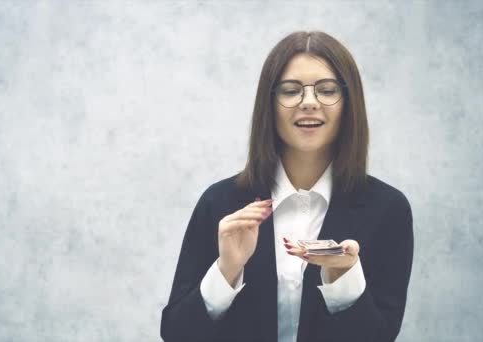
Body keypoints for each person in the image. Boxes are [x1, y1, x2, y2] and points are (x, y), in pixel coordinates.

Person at [160, 31, 414, 342]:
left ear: (349, 104)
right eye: (291, 91)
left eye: (327, 90)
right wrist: (227, 269)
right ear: (269, 104)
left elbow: (380, 337)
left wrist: (343, 280)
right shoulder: (221, 203)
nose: (309, 103)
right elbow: (176, 334)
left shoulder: (387, 209)